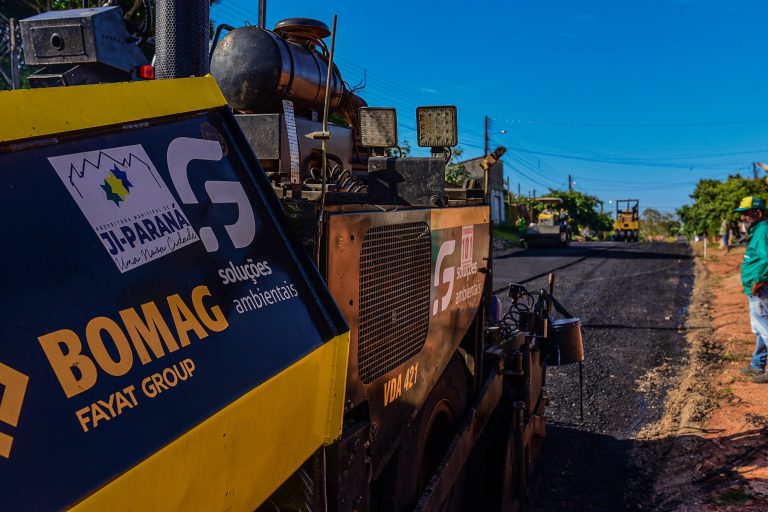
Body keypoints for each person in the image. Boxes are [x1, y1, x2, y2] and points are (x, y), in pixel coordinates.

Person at [736, 196, 768, 383]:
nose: (743, 218)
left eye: (746, 213)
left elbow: (767, 259)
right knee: (761, 328)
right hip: (757, 289)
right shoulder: (759, 231)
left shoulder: (763, 231)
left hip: (760, 289)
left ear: (758, 213)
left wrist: (759, 280)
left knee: (764, 328)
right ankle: (757, 364)